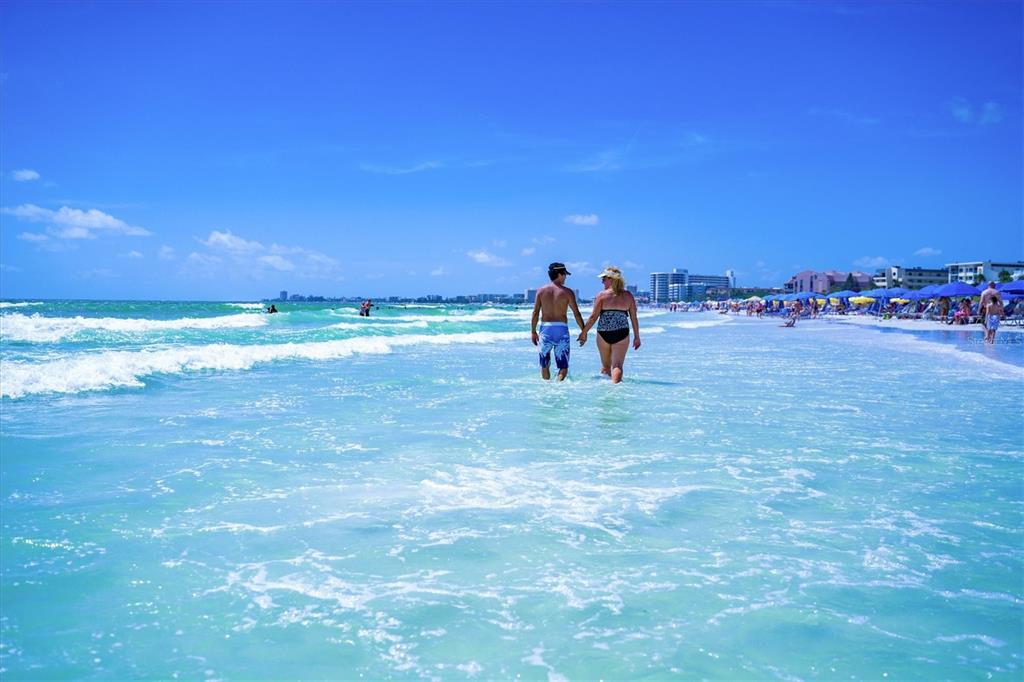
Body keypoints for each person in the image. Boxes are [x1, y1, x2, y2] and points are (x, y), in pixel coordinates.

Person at [577, 266, 641, 384]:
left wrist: (584, 333)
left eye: (604, 279)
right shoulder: (628, 296)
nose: (602, 282)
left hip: (603, 333)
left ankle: (604, 389)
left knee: (605, 366)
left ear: (611, 279)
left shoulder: (602, 295)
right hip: (622, 333)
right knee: (617, 365)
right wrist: (637, 337)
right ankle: (615, 388)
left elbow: (593, 317)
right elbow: (634, 318)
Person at [531, 262, 585, 381]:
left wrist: (533, 331)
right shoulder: (567, 292)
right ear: (560, 274)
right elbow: (577, 313)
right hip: (561, 330)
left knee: (544, 364)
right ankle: (558, 387)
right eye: (565, 275)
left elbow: (535, 313)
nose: (566, 277)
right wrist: (583, 331)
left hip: (546, 330)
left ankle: (547, 387)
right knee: (563, 366)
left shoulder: (541, 291)